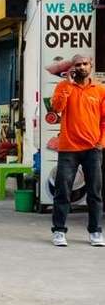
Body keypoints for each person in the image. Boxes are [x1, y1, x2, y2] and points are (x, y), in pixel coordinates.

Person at [50, 54, 105, 247]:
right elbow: (57, 108)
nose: (81, 67)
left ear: (90, 66)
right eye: (78, 64)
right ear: (72, 67)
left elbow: (104, 120)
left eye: (85, 64)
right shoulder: (63, 87)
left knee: (95, 192)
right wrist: (67, 85)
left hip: (92, 149)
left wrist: (101, 142)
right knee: (63, 190)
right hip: (68, 148)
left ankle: (96, 231)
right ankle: (58, 231)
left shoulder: (99, 90)